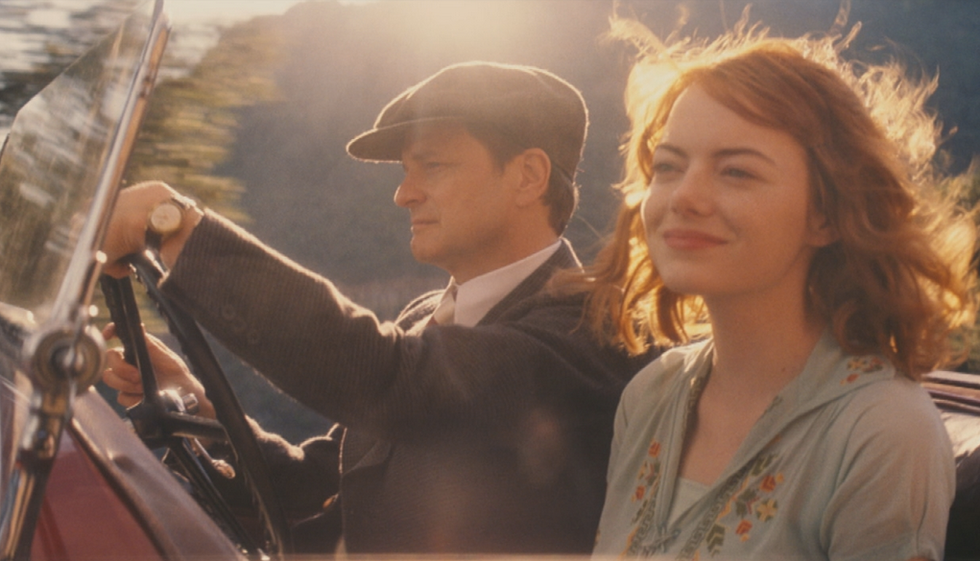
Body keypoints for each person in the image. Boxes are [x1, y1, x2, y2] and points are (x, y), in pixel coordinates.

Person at [99, 61, 652, 554]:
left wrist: (171, 224)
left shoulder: (592, 329)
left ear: (528, 176)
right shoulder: (423, 319)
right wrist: (203, 412)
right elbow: (316, 490)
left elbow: (395, 380)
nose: (403, 193)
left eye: (433, 166)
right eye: (406, 170)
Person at [572, 16, 977, 561]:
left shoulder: (881, 431)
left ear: (826, 215)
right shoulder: (651, 395)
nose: (684, 196)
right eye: (668, 166)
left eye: (736, 172)